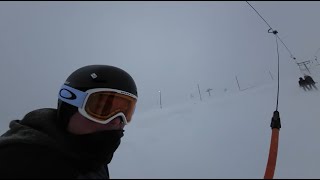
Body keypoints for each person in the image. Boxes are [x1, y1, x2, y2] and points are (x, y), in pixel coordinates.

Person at [0, 65, 138, 178]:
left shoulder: (94, 156)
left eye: (125, 112)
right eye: (102, 109)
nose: (116, 121)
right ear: (69, 108)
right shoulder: (16, 162)